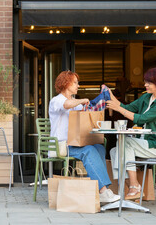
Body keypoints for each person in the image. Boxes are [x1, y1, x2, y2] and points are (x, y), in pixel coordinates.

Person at [49, 70, 120, 203]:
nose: (78, 85)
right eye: (75, 82)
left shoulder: (75, 102)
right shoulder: (56, 100)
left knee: (99, 148)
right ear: (66, 83)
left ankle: (99, 189)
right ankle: (103, 191)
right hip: (62, 145)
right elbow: (66, 105)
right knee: (89, 151)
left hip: (75, 143)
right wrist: (82, 101)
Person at [106, 67, 156, 200]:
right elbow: (127, 108)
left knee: (126, 143)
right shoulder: (146, 97)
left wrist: (118, 109)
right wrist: (111, 96)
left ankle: (134, 186)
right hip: (145, 143)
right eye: (145, 82)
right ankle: (134, 187)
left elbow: (142, 118)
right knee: (115, 150)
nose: (145, 85)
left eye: (149, 82)